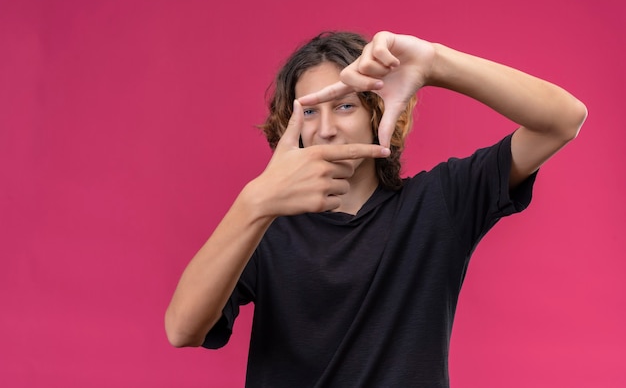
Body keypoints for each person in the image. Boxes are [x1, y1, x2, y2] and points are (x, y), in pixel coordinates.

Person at [165, 31, 587, 387]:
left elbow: (563, 119)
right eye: (309, 111)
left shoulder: (440, 202)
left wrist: (434, 63)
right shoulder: (264, 225)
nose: (326, 129)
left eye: (345, 105)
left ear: (378, 112)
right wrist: (254, 203)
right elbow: (183, 329)